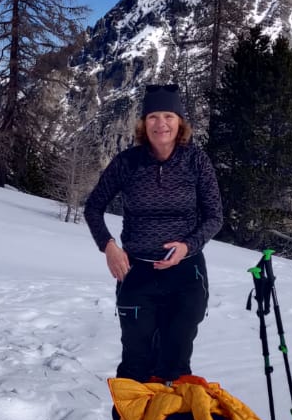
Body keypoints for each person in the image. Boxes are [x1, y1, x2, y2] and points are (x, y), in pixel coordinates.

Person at [84, 84, 221, 397]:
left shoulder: (196, 161)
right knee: (136, 360)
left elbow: (214, 217)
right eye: (153, 117)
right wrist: (109, 247)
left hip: (187, 275)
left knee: (175, 362)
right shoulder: (128, 163)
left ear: (180, 122)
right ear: (143, 124)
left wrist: (188, 245)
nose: (162, 124)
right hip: (137, 274)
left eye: (169, 116)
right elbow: (93, 207)